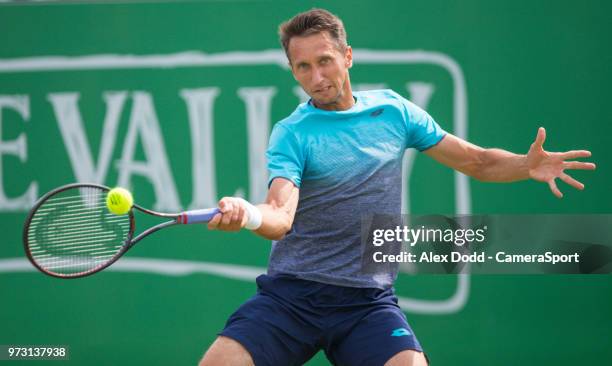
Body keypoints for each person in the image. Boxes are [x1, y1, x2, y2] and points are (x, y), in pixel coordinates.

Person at [199, 8, 596, 366]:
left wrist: (526, 165)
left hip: (365, 302)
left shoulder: (394, 112)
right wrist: (249, 213)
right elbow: (280, 215)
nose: (316, 78)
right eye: (303, 67)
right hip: (291, 298)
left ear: (347, 57)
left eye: (325, 61)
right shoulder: (291, 134)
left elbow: (476, 161)